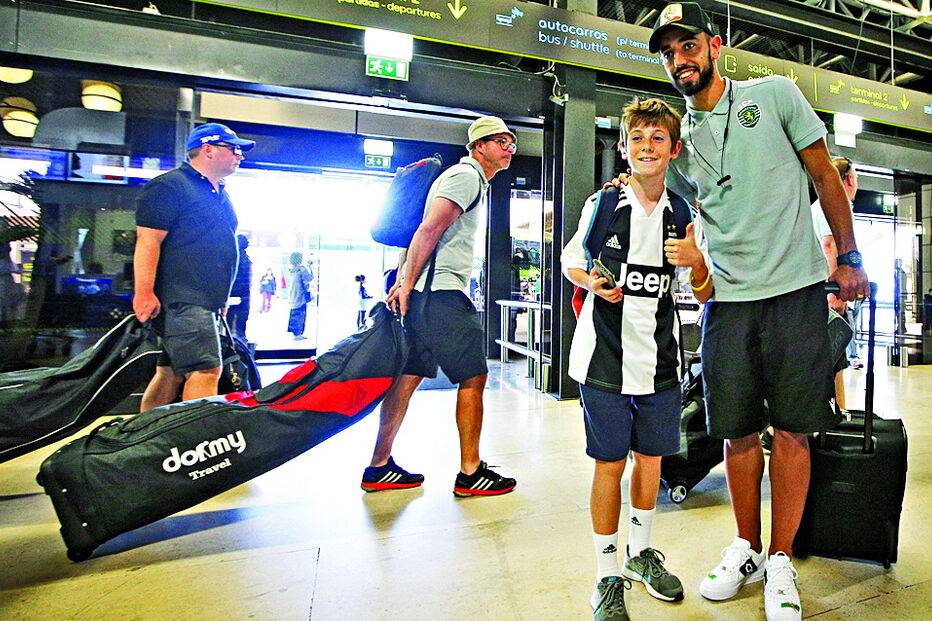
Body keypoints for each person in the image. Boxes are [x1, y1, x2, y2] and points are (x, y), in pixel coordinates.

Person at [642, 4, 870, 620]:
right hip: (729, 304)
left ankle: (780, 558)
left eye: (687, 45)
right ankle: (745, 545)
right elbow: (682, 212)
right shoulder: (677, 139)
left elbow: (824, 174)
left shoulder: (774, 95)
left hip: (797, 292)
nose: (678, 60)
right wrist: (696, 266)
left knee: (794, 429)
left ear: (714, 45)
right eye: (667, 52)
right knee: (736, 430)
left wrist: (848, 256)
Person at [564, 98, 712, 621]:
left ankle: (640, 555)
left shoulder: (684, 213)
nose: (647, 146)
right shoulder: (602, 205)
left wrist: (696, 264)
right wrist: (592, 282)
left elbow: (704, 287)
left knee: (651, 461)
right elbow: (571, 261)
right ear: (624, 147)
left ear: (674, 150)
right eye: (638, 138)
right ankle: (606, 578)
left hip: (662, 363)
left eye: (658, 138)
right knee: (610, 464)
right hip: (603, 360)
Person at [360, 116, 518, 497]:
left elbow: (419, 233)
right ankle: (470, 471)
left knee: (408, 377)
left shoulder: (469, 180)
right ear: (479, 146)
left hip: (425, 295)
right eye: (500, 142)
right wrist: (407, 285)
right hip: (441, 295)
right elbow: (428, 229)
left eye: (511, 142)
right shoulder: (465, 177)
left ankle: (378, 466)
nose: (509, 148)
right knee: (474, 376)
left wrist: (404, 285)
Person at [133, 122, 255, 411]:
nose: (240, 155)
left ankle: (142, 436)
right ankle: (192, 445)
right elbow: (148, 240)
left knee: (170, 372)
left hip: (203, 302)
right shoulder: (171, 185)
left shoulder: (218, 192)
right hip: (184, 300)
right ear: (207, 150)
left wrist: (219, 299)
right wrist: (144, 292)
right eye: (234, 149)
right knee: (206, 371)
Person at [811, 157, 861, 405]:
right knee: (833, 361)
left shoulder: (816, 205)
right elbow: (829, 245)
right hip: (827, 293)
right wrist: (837, 293)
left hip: (814, 292)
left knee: (830, 361)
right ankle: (834, 418)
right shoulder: (834, 204)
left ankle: (836, 414)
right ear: (849, 180)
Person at [227, 233, 252, 338]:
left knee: (230, 319)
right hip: (244, 294)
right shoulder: (246, 259)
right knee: (241, 322)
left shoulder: (232, 258)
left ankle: (231, 343)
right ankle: (241, 342)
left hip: (232, 294)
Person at [286, 252, 312, 339]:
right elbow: (309, 278)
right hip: (300, 294)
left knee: (294, 312)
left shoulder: (291, 269)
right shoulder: (302, 269)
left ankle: (294, 332)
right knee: (301, 313)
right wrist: (310, 267)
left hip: (293, 294)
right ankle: (299, 333)